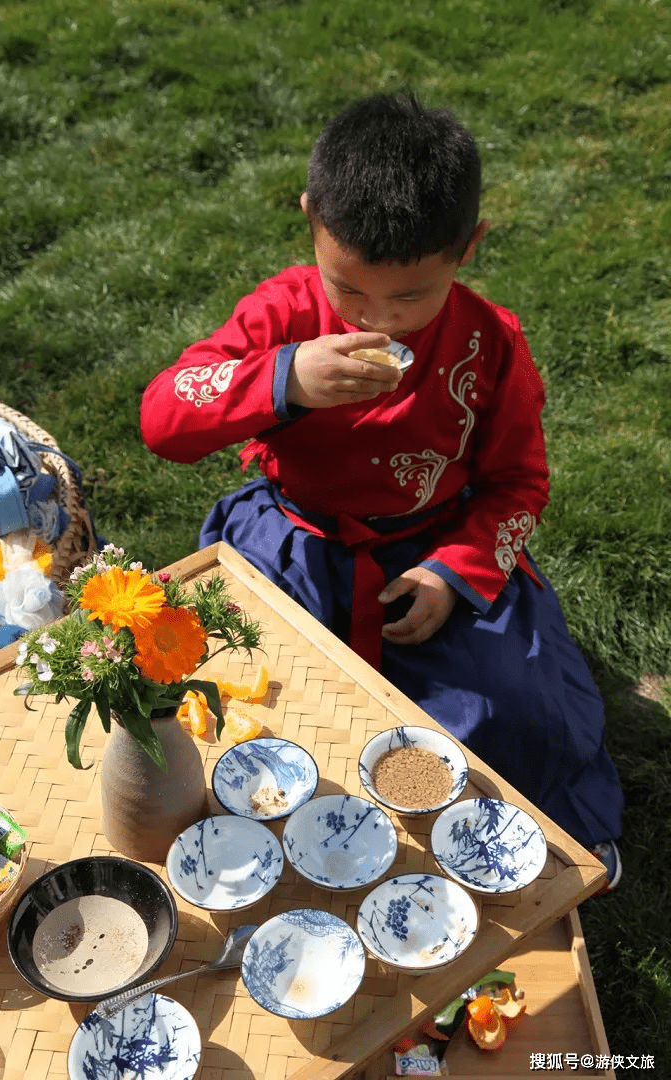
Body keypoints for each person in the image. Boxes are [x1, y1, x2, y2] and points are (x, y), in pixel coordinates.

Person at [140, 93, 623, 889]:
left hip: (436, 543)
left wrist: (454, 571)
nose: (381, 322)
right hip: (295, 539)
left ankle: (555, 848)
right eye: (351, 292)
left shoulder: (489, 343)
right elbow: (164, 416)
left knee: (518, 715)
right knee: (267, 712)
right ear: (310, 220)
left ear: (469, 246)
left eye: (410, 299)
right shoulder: (283, 313)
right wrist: (285, 375)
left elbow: (518, 483)